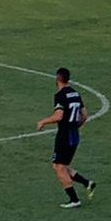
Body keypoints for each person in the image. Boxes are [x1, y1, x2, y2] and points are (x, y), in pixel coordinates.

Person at [36, 68, 96, 208]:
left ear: (57, 79)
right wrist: (75, 127)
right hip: (74, 135)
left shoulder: (60, 95)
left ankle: (74, 200)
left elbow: (59, 116)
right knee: (61, 165)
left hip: (64, 135)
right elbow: (84, 115)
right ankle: (87, 183)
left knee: (58, 167)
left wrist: (43, 121)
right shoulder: (75, 93)